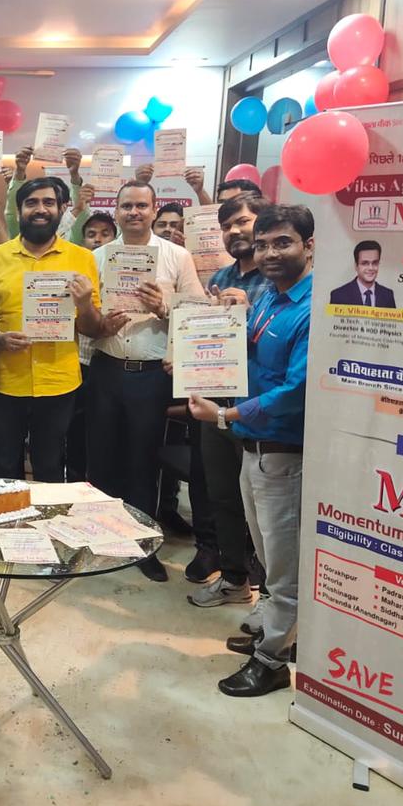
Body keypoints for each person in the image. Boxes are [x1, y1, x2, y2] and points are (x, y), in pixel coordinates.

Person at [189, 204, 313, 698]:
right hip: (252, 446)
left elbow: (296, 390)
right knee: (264, 548)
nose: (269, 253)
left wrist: (227, 415)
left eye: (282, 242)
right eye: (262, 245)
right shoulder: (267, 301)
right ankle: (276, 632)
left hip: (283, 449)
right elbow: (241, 352)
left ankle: (272, 660)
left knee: (283, 561)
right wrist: (202, 344)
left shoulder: (313, 309)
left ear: (309, 246)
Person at [89, 180, 205, 582]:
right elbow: (86, 316)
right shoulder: (98, 257)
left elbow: (197, 313)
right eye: (127, 206)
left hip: (150, 375)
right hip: (105, 368)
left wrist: (165, 306)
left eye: (141, 206)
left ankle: (142, 544)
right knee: (102, 458)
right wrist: (98, 321)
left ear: (154, 210)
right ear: (116, 211)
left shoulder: (177, 256)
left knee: (143, 462)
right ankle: (101, 538)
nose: (134, 212)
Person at [0, 177, 105, 485]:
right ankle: (4, 517)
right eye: (32, 203)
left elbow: (92, 329)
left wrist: (84, 304)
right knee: (3, 464)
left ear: (62, 209)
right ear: (19, 210)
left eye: (49, 202)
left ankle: (46, 517)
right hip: (6, 381)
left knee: (50, 466)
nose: (40, 209)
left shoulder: (82, 259)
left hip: (58, 383)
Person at [188, 194, 273, 607]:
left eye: (242, 221)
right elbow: (208, 339)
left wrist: (249, 309)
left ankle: (271, 594)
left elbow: (277, 341)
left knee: (264, 504)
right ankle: (234, 578)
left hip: (259, 408)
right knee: (222, 495)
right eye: (227, 226)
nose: (234, 231)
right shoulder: (220, 276)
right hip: (216, 402)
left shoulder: (279, 278)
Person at [63, 211, 118, 482]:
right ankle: (74, 482)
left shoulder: (123, 268)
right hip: (78, 363)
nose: (98, 239)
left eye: (105, 234)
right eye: (91, 234)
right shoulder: (75, 269)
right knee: (74, 434)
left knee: (102, 437)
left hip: (108, 363)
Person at [329, 240, 395, 308]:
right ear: (356, 266)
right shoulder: (338, 296)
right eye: (365, 263)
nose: (371, 268)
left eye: (375, 263)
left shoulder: (388, 295)